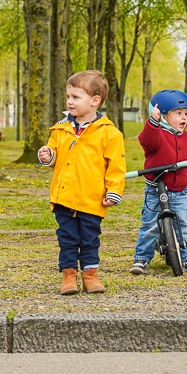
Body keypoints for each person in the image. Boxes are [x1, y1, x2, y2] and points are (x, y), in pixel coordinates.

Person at [37, 70, 126, 295]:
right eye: (69, 96)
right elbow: (54, 153)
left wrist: (114, 190)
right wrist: (48, 155)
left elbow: (116, 165)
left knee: (89, 239)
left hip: (92, 198)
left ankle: (90, 274)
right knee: (67, 238)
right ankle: (68, 275)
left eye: (76, 97)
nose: (70, 101)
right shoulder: (60, 129)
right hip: (64, 197)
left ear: (94, 101)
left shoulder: (110, 134)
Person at [129, 90, 187, 275]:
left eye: (185, 114)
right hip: (156, 189)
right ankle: (141, 258)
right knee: (150, 226)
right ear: (163, 115)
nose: (184, 118)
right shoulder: (156, 134)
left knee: (183, 226)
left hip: (179, 192)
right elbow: (146, 141)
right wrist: (153, 123)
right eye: (178, 113)